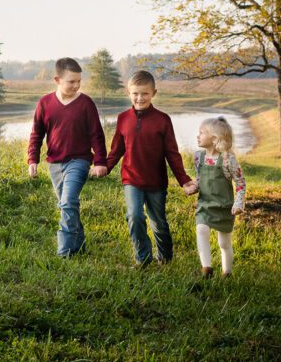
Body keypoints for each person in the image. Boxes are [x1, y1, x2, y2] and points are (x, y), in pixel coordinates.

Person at [104, 71, 198, 266]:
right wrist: (104, 167)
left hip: (156, 182)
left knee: (158, 222)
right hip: (131, 179)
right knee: (134, 216)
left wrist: (184, 180)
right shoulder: (123, 118)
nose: (140, 98)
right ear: (128, 92)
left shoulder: (163, 120)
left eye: (145, 94)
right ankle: (143, 258)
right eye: (135, 93)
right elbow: (116, 149)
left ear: (153, 93)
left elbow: (172, 153)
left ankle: (165, 258)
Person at [27, 57, 108, 257]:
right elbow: (36, 134)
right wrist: (33, 160)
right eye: (71, 81)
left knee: (68, 202)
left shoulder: (86, 103)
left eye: (79, 81)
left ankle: (65, 252)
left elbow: (96, 134)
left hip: (79, 161)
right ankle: (79, 245)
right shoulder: (45, 103)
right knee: (67, 204)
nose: (76, 85)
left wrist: (99, 161)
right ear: (57, 79)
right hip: (54, 163)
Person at [193, 116, 246, 278]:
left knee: (224, 243)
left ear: (214, 138)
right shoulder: (198, 157)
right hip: (205, 205)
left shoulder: (227, 159)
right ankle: (206, 268)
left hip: (224, 206)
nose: (197, 136)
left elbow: (240, 182)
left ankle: (227, 272)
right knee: (201, 229)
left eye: (201, 133)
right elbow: (199, 179)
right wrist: (193, 187)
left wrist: (238, 203)